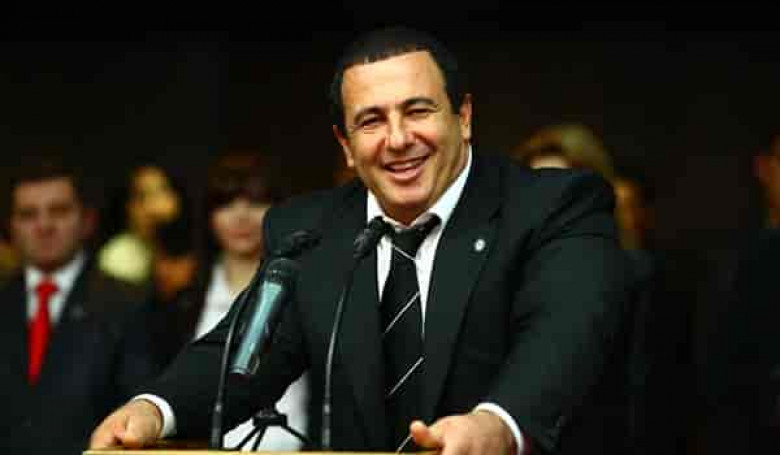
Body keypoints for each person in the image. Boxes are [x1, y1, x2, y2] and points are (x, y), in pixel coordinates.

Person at [90, 27, 630, 454]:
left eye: (417, 111)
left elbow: (564, 336)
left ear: (463, 117)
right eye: (371, 121)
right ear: (346, 146)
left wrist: (498, 423)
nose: (398, 139)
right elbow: (244, 355)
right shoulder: (309, 232)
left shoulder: (552, 206)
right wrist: (152, 410)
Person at [145, 150, 309, 450]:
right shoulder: (182, 302)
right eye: (226, 203)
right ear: (208, 216)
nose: (240, 215)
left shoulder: (307, 290)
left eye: (255, 202)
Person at [0, 156, 158, 455]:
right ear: (10, 226)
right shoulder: (4, 299)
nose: (44, 225)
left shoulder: (128, 304)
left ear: (87, 220)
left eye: (58, 211)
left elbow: (138, 408)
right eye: (28, 214)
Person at [97, 163, 184, 286]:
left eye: (162, 192)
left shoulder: (188, 247)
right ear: (127, 206)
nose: (152, 207)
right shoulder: (119, 257)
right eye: (141, 197)